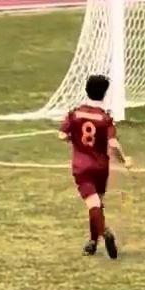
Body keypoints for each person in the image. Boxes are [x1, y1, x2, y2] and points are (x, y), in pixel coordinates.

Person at [59, 74, 131, 258]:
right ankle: (92, 243)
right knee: (97, 204)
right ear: (104, 93)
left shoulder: (75, 113)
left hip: (82, 166)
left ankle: (104, 231)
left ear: (86, 90)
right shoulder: (105, 118)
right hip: (100, 167)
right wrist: (125, 160)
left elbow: (62, 135)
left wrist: (74, 139)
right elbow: (113, 144)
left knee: (93, 205)